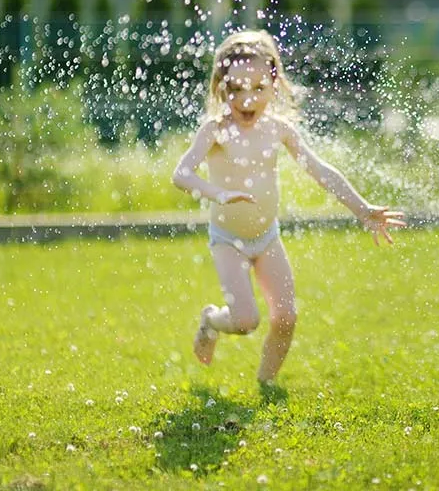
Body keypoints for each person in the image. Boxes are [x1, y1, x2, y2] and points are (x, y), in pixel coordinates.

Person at [172, 29, 406, 384]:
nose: (246, 99)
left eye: (257, 88)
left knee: (286, 317)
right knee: (246, 321)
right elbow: (182, 173)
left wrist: (361, 209)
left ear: (274, 83)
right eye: (235, 89)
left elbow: (320, 170)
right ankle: (211, 320)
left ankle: (266, 385)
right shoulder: (215, 130)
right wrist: (217, 193)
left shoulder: (279, 130)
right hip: (228, 240)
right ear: (221, 87)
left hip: (267, 238)